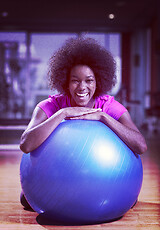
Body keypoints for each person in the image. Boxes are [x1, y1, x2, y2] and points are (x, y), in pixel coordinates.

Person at [20, 37, 147, 209]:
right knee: (26, 200)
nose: (82, 87)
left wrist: (103, 117)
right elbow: (26, 145)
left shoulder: (108, 106)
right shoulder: (50, 106)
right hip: (57, 179)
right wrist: (63, 113)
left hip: (101, 181)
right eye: (75, 80)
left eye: (89, 80)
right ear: (65, 81)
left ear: (98, 81)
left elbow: (140, 146)